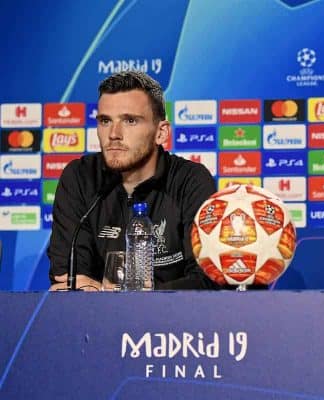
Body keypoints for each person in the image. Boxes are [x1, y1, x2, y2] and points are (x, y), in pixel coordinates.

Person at [48, 71, 219, 290]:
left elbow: (205, 280)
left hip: (174, 321)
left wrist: (128, 298)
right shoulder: (80, 177)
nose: (114, 134)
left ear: (161, 133)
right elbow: (68, 278)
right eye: (105, 120)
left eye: (130, 120)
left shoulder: (191, 180)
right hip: (97, 322)